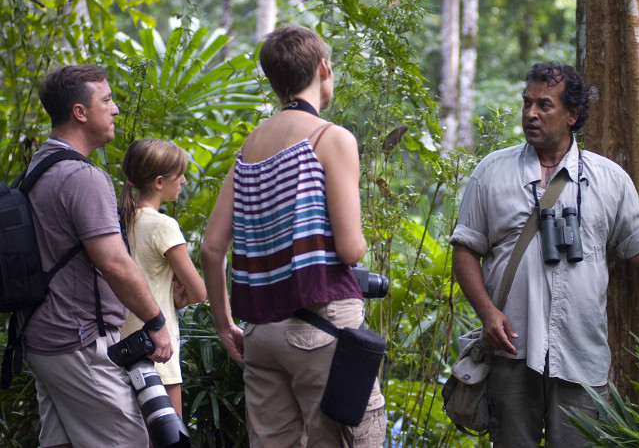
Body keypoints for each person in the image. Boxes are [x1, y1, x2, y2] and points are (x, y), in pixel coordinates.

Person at [449, 61, 639, 447]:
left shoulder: (610, 179)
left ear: (573, 114)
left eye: (545, 105)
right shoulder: (491, 172)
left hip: (580, 355)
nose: (530, 113)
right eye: (527, 103)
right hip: (511, 352)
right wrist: (487, 313)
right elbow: (464, 251)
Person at [201, 24, 386, 447]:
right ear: (323, 68)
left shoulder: (249, 146)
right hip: (322, 327)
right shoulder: (330, 137)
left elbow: (212, 249)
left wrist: (225, 324)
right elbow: (350, 247)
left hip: (261, 334)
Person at [23, 64, 173, 448]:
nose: (116, 109)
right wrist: (155, 322)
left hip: (42, 336)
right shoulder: (82, 177)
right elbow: (113, 262)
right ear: (80, 112)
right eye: (106, 100)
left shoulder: (39, 166)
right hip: (78, 342)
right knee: (129, 441)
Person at [119, 138, 207, 418]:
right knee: (169, 436)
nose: (182, 181)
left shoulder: (119, 220)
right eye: (178, 175)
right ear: (159, 181)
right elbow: (199, 292)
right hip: (158, 348)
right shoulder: (163, 225)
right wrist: (179, 297)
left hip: (122, 346)